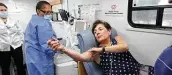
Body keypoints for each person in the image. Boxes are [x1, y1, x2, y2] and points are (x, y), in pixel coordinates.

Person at [48, 20, 141, 75]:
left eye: (100, 29)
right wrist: (63, 48)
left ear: (109, 31)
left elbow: (125, 47)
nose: (97, 33)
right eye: (95, 32)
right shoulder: (95, 51)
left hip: (138, 70)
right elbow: (81, 57)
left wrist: (103, 49)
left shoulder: (117, 39)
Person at [24, 1, 58, 75]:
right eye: (46, 12)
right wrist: (57, 50)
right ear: (38, 11)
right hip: (42, 60)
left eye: (50, 12)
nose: (48, 15)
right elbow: (48, 45)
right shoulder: (42, 23)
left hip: (33, 58)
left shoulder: (33, 21)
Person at [0, 3, 26, 75]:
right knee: (5, 68)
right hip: (3, 48)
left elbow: (20, 31)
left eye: (5, 10)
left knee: (20, 66)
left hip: (16, 46)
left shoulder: (13, 20)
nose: (3, 11)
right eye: (1, 10)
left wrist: (21, 42)